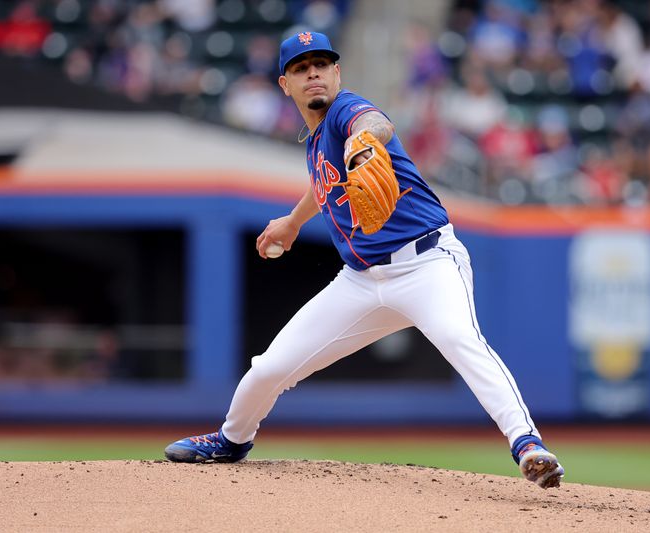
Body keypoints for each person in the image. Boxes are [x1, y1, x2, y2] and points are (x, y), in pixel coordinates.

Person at [164, 31, 564, 489]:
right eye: (300, 68)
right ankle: (231, 441)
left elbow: (375, 123)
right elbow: (324, 185)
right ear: (285, 84)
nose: (313, 73)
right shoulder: (315, 141)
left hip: (427, 264)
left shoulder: (345, 113)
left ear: (337, 73)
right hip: (360, 280)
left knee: (460, 340)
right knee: (270, 367)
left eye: (321, 64)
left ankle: (527, 444)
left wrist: (364, 142)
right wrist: (293, 222)